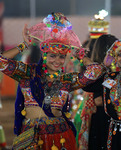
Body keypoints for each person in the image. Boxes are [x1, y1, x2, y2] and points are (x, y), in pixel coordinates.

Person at [0, 12, 105, 150]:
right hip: (31, 137)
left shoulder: (66, 80)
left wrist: (80, 55)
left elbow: (96, 71)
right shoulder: (27, 73)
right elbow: (2, 62)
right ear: (44, 55)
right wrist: (24, 45)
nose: (57, 61)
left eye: (61, 57)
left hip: (59, 137)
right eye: (52, 56)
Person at [78, 34, 118, 150]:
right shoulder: (101, 73)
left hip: (109, 120)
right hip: (104, 120)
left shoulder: (112, 72)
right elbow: (98, 100)